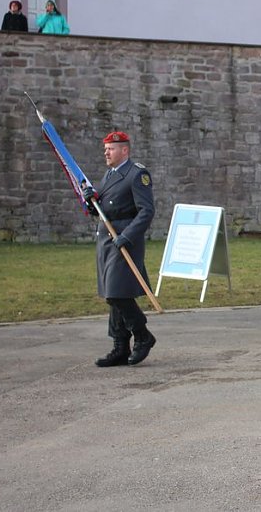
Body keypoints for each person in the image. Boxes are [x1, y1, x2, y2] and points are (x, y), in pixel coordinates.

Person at [82, 131, 155, 367]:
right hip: (107, 240)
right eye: (105, 149)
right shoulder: (109, 174)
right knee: (114, 294)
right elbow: (106, 210)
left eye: (111, 149)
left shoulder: (136, 174)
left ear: (124, 150)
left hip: (124, 239)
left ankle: (143, 335)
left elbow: (146, 211)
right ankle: (120, 347)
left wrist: (128, 235)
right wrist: (91, 202)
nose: (106, 152)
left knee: (116, 293)